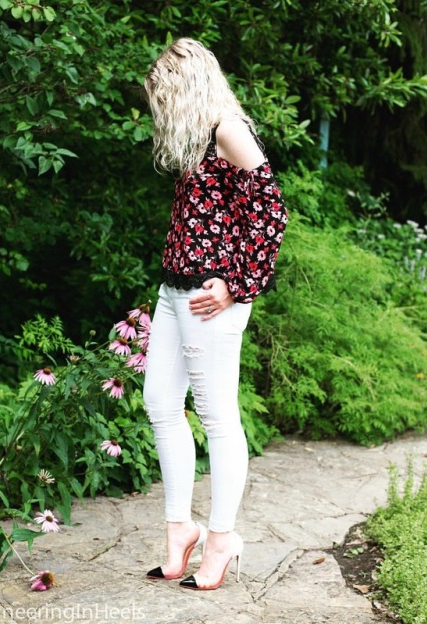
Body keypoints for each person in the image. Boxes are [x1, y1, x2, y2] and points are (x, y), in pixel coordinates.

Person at [142, 37, 288, 591]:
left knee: (218, 416)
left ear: (189, 84)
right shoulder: (200, 137)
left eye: (165, 93)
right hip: (173, 289)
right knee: (160, 400)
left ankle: (222, 538)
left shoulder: (229, 129)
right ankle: (181, 528)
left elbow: (271, 213)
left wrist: (238, 287)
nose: (161, 105)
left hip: (210, 299)